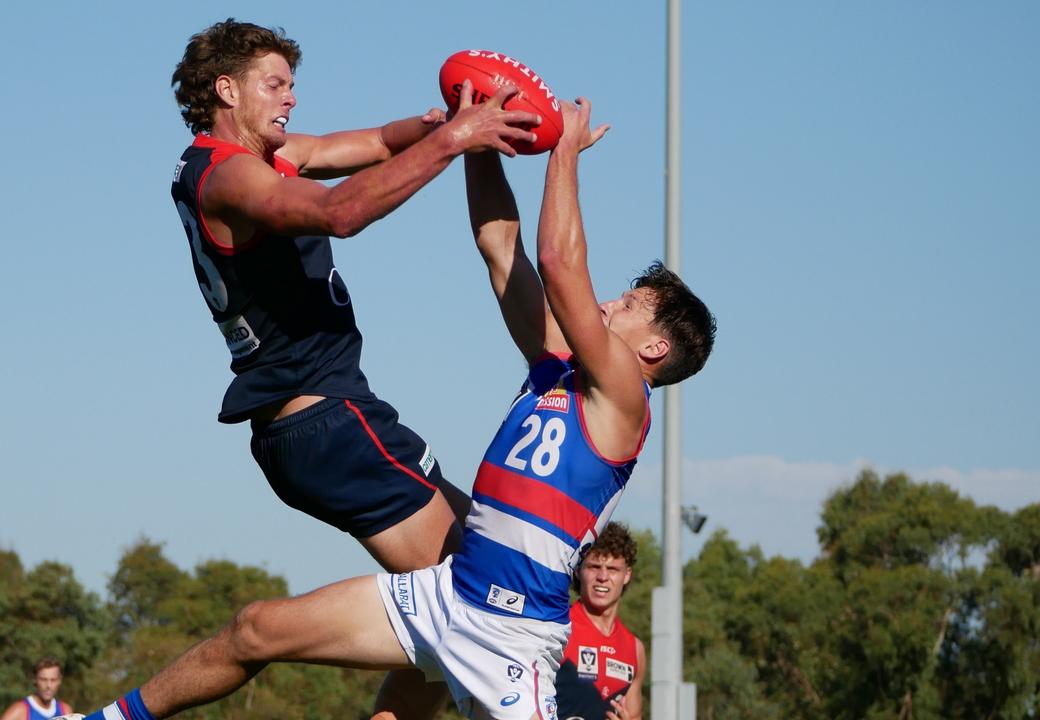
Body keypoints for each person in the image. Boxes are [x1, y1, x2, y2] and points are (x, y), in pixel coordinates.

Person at [61, 95, 714, 720]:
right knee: (255, 629)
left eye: (627, 308)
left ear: (655, 348)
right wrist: (479, 135)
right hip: (443, 598)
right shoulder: (558, 366)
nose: (608, 305)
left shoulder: (627, 396)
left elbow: (559, 264)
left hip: (512, 637)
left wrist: (563, 153)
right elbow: (502, 250)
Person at [169, 18, 540, 574]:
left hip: (331, 411)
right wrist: (457, 139)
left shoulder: (268, 157)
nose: (291, 98)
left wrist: (440, 123)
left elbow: (375, 143)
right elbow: (336, 212)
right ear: (227, 89)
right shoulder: (230, 177)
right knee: (481, 591)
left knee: (484, 565)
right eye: (275, 85)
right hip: (321, 417)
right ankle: (257, 637)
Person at [555, 523, 645, 720]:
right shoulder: (557, 627)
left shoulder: (634, 649)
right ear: (579, 570)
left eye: (612, 569)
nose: (603, 577)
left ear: (627, 575)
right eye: (594, 567)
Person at [0, 658, 72, 720]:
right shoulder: (19, 711)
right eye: (43, 679)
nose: (48, 686)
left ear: (59, 680)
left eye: (53, 680)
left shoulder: (65, 711)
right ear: (34, 679)